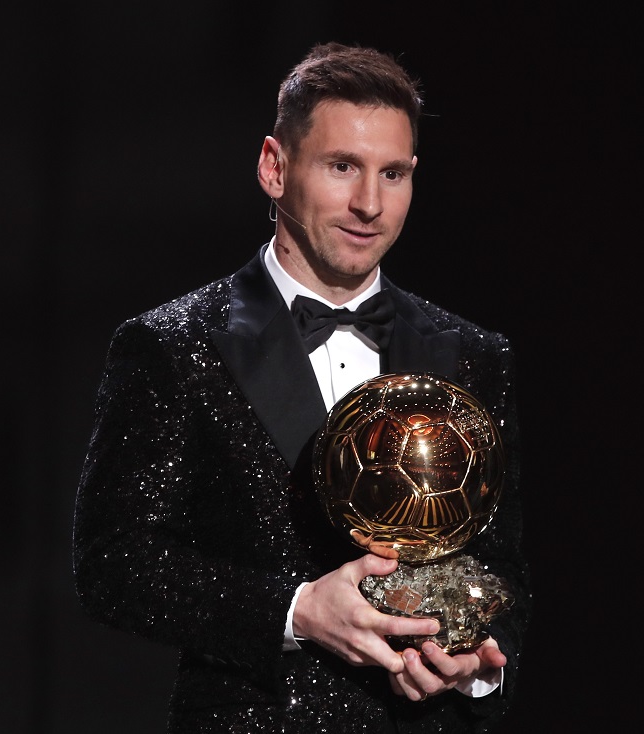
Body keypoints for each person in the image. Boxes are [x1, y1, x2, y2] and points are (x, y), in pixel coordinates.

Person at [73, 41, 531, 733]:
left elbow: (503, 571)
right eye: (342, 167)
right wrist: (295, 612)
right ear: (275, 167)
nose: (369, 203)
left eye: (393, 173)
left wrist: (476, 668)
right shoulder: (173, 346)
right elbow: (114, 564)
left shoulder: (472, 356)